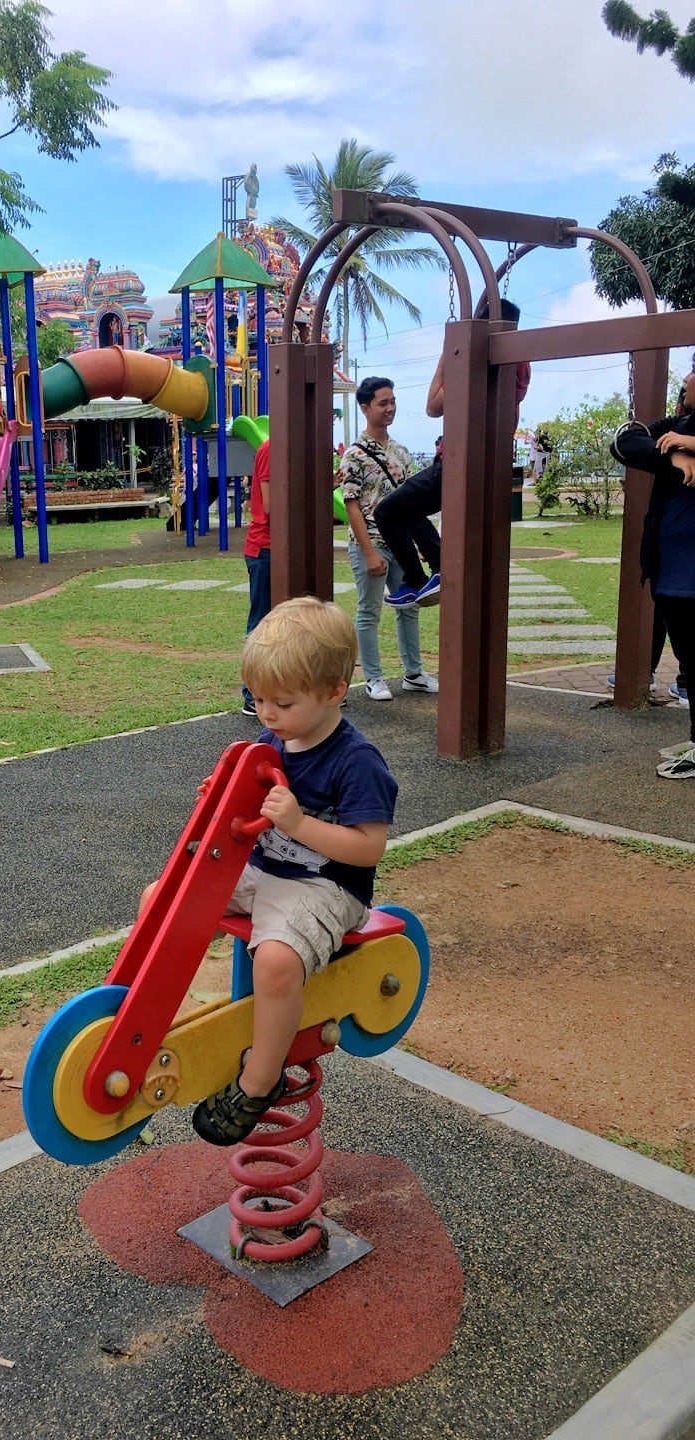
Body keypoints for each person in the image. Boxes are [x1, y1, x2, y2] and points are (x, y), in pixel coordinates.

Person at [187, 597, 398, 1144]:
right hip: (266, 871)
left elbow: (368, 848)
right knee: (166, 899)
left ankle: (261, 1080)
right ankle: (163, 1016)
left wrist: (300, 823)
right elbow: (243, 816)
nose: (268, 714)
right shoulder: (269, 742)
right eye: (257, 699)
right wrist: (218, 800)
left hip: (326, 885)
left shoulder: (357, 762)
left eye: (282, 701)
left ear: (334, 692)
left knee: (277, 962)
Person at [376, 297, 531, 609]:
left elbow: (433, 406)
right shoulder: (519, 365)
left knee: (387, 512)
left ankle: (423, 576)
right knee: (409, 509)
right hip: (489, 464)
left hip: (457, 462)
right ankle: (434, 569)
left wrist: (449, 351)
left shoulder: (474, 362)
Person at [610, 374, 695, 778]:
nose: (686, 381)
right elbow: (626, 441)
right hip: (671, 568)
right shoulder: (674, 427)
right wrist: (673, 456)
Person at [340, 376, 440, 702]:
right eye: (383, 403)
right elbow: (351, 505)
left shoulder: (401, 452)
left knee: (409, 605)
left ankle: (413, 673)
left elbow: (411, 501)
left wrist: (417, 544)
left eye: (392, 401)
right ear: (365, 407)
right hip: (370, 541)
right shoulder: (354, 455)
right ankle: (374, 678)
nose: (390, 408)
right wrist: (368, 552)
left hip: (401, 543)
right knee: (369, 611)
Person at [241, 438, 271, 715]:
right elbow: (271, 504)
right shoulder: (271, 449)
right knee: (260, 623)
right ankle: (251, 693)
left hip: (278, 547)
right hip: (264, 548)